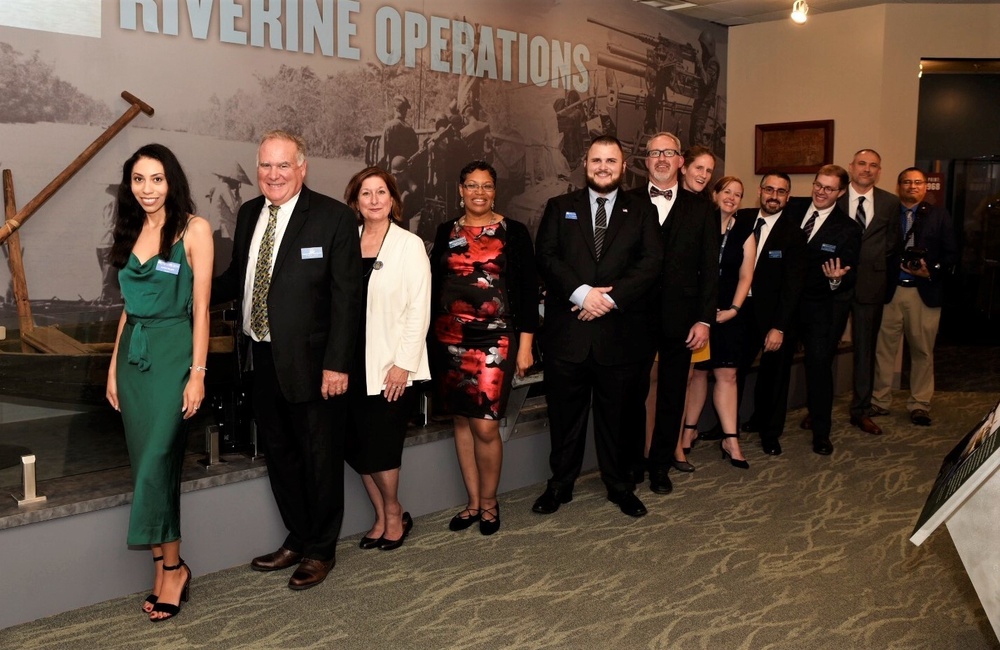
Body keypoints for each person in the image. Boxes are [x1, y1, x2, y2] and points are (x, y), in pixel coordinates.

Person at [212, 130, 361, 590]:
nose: (272, 175)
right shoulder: (250, 212)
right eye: (265, 166)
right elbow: (238, 277)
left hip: (316, 365)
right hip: (260, 358)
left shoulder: (334, 218)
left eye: (282, 166)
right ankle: (297, 537)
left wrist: (337, 364)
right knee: (280, 455)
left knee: (319, 457)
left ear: (302, 167)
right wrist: (190, 294)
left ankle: (321, 549)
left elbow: (348, 299)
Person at [106, 143, 213, 621]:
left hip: (174, 356)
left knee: (158, 463)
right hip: (134, 360)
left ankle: (174, 569)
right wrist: (112, 367)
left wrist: (198, 373)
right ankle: (164, 568)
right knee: (145, 468)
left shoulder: (194, 229)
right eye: (138, 180)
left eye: (157, 179)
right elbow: (128, 309)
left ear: (172, 181)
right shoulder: (130, 229)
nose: (147, 189)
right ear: (129, 185)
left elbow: (203, 309)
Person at [533, 136, 662, 518]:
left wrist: (606, 299)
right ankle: (560, 484)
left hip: (619, 336)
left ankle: (620, 486)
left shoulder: (642, 211)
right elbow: (547, 256)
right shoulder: (559, 207)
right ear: (584, 164)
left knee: (617, 419)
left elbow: (651, 263)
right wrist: (581, 294)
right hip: (568, 336)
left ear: (623, 166)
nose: (603, 167)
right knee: (564, 418)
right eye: (596, 160)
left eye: (611, 160)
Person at [430, 160, 538, 535]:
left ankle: (491, 502)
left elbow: (526, 292)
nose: (479, 192)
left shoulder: (514, 232)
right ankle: (473, 502)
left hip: (496, 339)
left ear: (495, 190)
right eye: (472, 185)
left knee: (486, 426)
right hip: (449, 339)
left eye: (487, 186)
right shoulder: (446, 231)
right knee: (461, 419)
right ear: (460, 190)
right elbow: (434, 284)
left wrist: (526, 346)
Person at [343, 167, 431, 550]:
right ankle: (379, 514)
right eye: (366, 193)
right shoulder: (345, 242)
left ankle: (394, 512)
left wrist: (403, 364)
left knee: (382, 444)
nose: (375, 199)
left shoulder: (409, 245)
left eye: (382, 192)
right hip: (349, 362)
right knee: (357, 445)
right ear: (356, 202)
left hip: (391, 364)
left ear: (393, 200)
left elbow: (419, 308)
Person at [625, 132, 717, 495]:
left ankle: (660, 465)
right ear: (645, 161)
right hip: (632, 316)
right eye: (654, 153)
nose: (662, 158)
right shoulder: (626, 203)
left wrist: (705, 319)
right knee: (631, 393)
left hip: (683, 319)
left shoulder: (702, 209)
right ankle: (631, 462)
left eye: (669, 153)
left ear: (681, 160)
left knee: (672, 393)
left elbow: (710, 269)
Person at [872, 168, 957, 426]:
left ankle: (920, 404)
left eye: (917, 182)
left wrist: (928, 270)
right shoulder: (887, 214)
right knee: (883, 351)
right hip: (890, 292)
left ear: (925, 187)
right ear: (899, 186)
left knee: (922, 351)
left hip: (924, 294)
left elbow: (952, 255)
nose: (912, 186)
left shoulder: (939, 216)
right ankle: (879, 400)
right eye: (907, 182)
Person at [785, 165, 861, 455]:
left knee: (818, 369)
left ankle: (821, 433)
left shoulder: (848, 228)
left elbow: (850, 274)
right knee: (777, 364)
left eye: (829, 188)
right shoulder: (793, 209)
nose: (820, 191)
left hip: (819, 309)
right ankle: (767, 423)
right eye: (818, 184)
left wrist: (837, 279)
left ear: (841, 193)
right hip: (785, 306)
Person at [683, 176, 753, 469]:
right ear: (715, 194)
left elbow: (746, 275)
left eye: (738, 194)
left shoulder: (745, 232)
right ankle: (688, 431)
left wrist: (734, 309)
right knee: (697, 374)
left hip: (729, 313)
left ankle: (730, 439)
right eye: (727, 192)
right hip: (700, 312)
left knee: (728, 375)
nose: (732, 198)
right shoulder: (700, 224)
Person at [737, 173, 807, 456]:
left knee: (774, 376)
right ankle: (727, 426)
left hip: (775, 317)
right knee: (732, 372)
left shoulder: (794, 234)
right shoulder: (741, 220)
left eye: (781, 191)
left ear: (788, 197)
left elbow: (793, 286)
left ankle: (770, 432)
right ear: (760, 191)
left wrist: (779, 326)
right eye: (769, 189)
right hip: (739, 312)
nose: (774, 196)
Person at [837, 149, 901, 435]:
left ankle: (861, 411)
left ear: (879, 171)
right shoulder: (835, 197)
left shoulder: (890, 202)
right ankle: (818, 409)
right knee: (824, 348)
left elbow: (893, 244)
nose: (867, 169)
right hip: (834, 284)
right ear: (851, 167)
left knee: (865, 351)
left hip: (870, 287)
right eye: (862, 163)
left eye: (873, 165)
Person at [380, 96, 418, 170]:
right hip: (405, 172)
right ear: (405, 111)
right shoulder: (410, 129)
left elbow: (382, 155)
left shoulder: (388, 127)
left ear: (395, 109)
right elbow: (415, 152)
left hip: (392, 170)